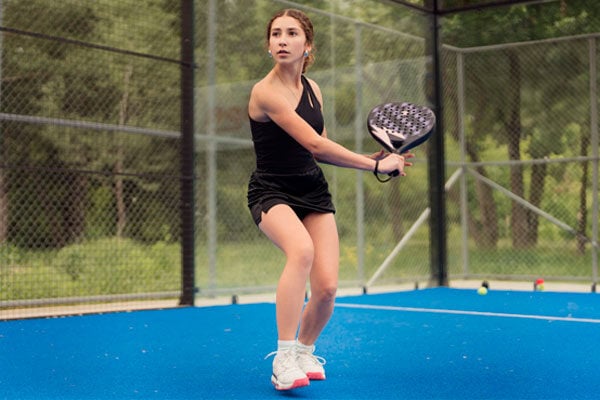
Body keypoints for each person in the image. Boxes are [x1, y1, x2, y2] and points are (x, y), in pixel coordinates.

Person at [247, 8, 413, 391]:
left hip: (312, 191)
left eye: (291, 34)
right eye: (275, 34)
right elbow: (315, 144)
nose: (282, 40)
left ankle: (305, 350)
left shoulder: (313, 89)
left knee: (326, 288)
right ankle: (284, 359)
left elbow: (317, 152)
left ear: (308, 45)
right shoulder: (265, 92)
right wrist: (373, 168)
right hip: (271, 191)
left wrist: (373, 159)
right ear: (269, 45)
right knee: (301, 252)